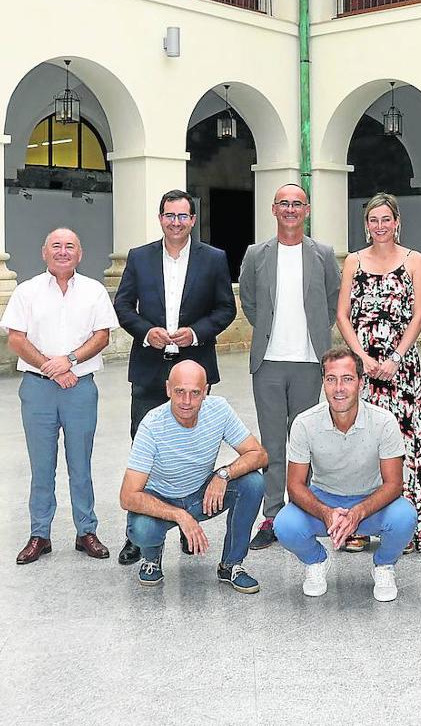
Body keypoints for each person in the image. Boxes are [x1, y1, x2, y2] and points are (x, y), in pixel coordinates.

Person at [114, 189, 237, 565]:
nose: (176, 222)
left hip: (194, 367)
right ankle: (139, 534)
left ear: (193, 221)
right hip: (150, 367)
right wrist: (145, 331)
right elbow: (122, 304)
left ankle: (189, 524)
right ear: (160, 217)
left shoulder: (213, 259)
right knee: (146, 450)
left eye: (183, 216)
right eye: (170, 215)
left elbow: (225, 308)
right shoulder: (139, 257)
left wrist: (197, 332)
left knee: (194, 451)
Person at [2, 228, 118, 565]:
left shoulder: (94, 291)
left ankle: (86, 531)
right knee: (41, 467)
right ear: (44, 252)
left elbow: (102, 336)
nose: (63, 251)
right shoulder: (26, 291)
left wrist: (69, 361)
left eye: (70, 246)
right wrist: (52, 367)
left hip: (80, 388)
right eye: (56, 246)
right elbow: (16, 338)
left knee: (81, 464)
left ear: (80, 254)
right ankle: (40, 534)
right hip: (38, 388)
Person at [239, 183, 341, 551]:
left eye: (297, 204)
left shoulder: (324, 254)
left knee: (304, 442)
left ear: (307, 210)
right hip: (268, 361)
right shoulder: (256, 254)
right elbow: (249, 301)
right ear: (273, 209)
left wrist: (316, 332)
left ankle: (302, 512)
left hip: (309, 361)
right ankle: (271, 515)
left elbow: (333, 301)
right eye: (284, 203)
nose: (290, 209)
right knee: (271, 443)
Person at [273, 346, 418, 602]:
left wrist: (358, 513)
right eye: (331, 379)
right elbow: (295, 486)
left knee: (405, 517)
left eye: (347, 379)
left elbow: (394, 484)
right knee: (284, 525)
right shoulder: (304, 423)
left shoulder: (384, 421)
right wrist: (327, 513)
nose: (339, 388)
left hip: (371, 503)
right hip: (324, 499)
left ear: (361, 383)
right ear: (323, 383)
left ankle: (384, 565)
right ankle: (316, 562)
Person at [336, 192, 421, 555]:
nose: (380, 226)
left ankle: (405, 527)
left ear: (397, 222)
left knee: (404, 446)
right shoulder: (354, 262)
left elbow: (419, 314)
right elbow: (343, 315)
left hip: (400, 369)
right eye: (373, 220)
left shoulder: (414, 260)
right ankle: (355, 525)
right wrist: (361, 359)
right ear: (366, 225)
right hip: (360, 371)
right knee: (359, 446)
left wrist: (394, 357)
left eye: (386, 219)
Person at [119, 361, 267, 591]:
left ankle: (231, 564)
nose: (186, 401)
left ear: (206, 391)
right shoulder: (151, 425)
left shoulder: (219, 409)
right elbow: (128, 496)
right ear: (168, 389)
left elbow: (258, 454)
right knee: (143, 531)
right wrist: (180, 515)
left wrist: (223, 475)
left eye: (195, 393)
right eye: (179, 392)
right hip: (161, 498)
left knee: (253, 483)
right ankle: (151, 558)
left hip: (201, 495)